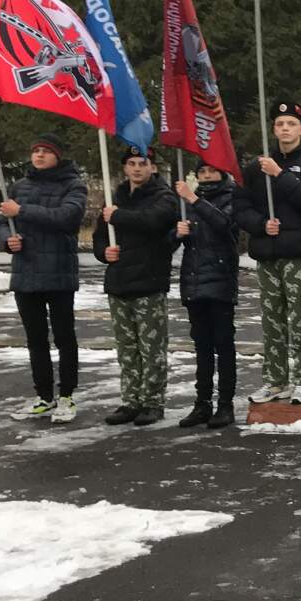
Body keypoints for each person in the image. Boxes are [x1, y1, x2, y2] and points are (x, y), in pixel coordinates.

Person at [235, 99, 301, 405]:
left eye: (291, 124)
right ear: (273, 129)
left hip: (299, 254)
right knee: (272, 322)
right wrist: (261, 225)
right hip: (268, 252)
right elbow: (241, 207)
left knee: (300, 320)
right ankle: (275, 380)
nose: (285, 129)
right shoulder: (256, 167)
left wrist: (280, 174)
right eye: (279, 124)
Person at [0, 133, 87, 422]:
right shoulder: (19, 186)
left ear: (57, 156)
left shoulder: (73, 185)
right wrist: (8, 239)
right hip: (26, 274)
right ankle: (44, 396)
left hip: (59, 273)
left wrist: (22, 210)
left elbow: (67, 218)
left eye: (46, 151)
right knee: (35, 339)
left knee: (64, 337)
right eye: (36, 151)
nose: (39, 155)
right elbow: (1, 221)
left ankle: (67, 396)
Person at [92, 145, 180, 425]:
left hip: (149, 282)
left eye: (143, 163)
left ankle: (153, 402)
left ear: (152, 167)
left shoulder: (163, 197)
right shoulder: (114, 196)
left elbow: (153, 222)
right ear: (125, 168)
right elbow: (99, 236)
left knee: (151, 349)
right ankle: (131, 400)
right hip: (119, 282)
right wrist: (103, 252)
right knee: (126, 348)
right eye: (131, 163)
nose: (137, 168)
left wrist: (117, 216)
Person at [173, 160, 240, 427]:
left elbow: (225, 225)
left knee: (223, 345)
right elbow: (174, 239)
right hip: (193, 280)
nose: (207, 175)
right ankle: (202, 403)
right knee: (201, 347)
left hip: (220, 281)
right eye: (202, 171)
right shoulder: (190, 201)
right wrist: (176, 233)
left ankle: (225, 405)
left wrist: (193, 199)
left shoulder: (231, 197)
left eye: (212, 170)